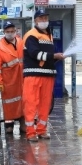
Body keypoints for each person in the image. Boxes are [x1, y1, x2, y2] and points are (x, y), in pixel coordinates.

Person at [22, 9, 65, 142]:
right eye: (41, 18)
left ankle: (41, 130)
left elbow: (46, 57)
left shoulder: (48, 35)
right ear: (35, 21)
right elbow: (35, 54)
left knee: (45, 104)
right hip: (33, 75)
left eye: (45, 18)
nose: (44, 21)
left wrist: (57, 57)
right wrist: (54, 56)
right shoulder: (31, 35)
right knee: (31, 103)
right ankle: (30, 132)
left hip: (48, 75)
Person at [0, 21, 24, 136]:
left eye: (12, 31)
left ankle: (23, 123)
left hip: (22, 79)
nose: (10, 33)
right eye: (8, 32)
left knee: (23, 102)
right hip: (8, 81)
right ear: (4, 32)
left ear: (16, 31)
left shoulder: (21, 42)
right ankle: (9, 126)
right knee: (9, 104)